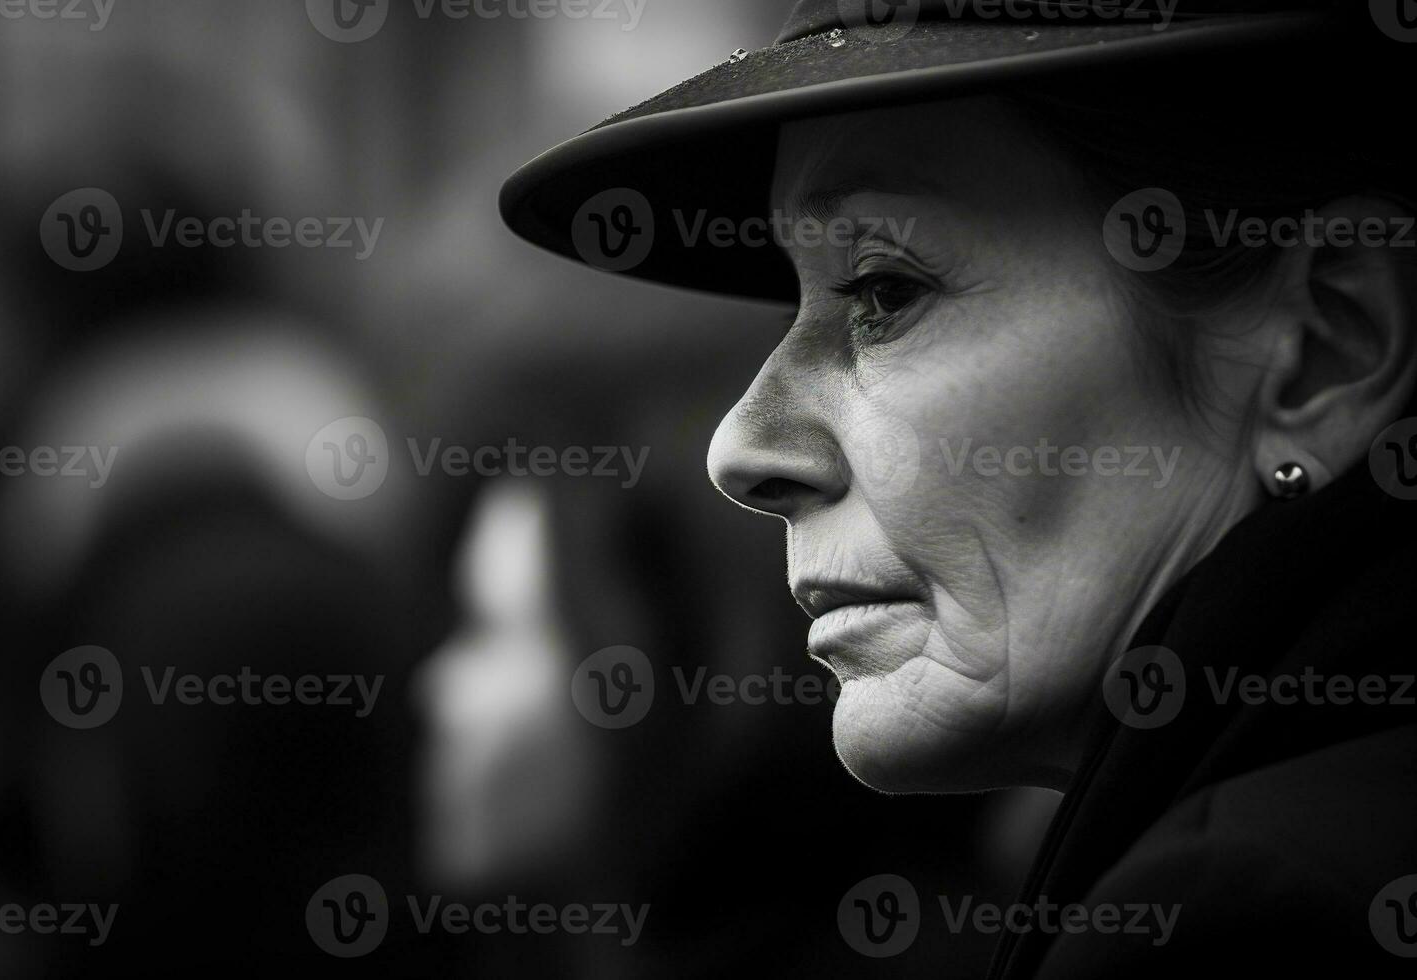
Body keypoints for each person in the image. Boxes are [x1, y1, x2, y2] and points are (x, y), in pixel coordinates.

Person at [500, 1, 1417, 975]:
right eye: (794, 294)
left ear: (1325, 346)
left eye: (883, 290)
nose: (740, 446)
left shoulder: (1249, 920)